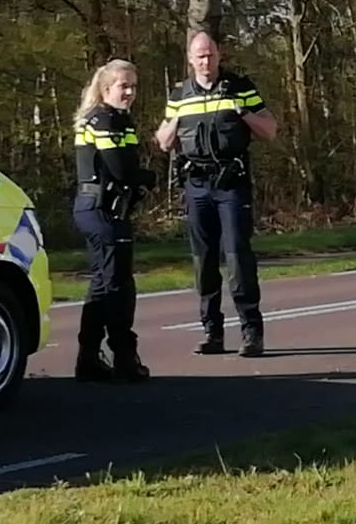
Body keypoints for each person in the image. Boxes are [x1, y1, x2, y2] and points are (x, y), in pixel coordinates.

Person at [155, 31, 277, 357]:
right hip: (196, 184)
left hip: (231, 183)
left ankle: (252, 332)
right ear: (189, 58)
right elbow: (164, 141)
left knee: (237, 256)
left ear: (219, 56)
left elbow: (270, 130)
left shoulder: (240, 86)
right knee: (203, 260)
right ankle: (212, 333)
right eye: (199, 56)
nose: (205, 61)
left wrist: (243, 113)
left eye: (210, 55)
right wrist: (175, 119)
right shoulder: (179, 93)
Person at [71, 58, 158, 382]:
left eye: (133, 86)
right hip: (103, 210)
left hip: (95, 208)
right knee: (119, 285)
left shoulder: (107, 118)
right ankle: (124, 358)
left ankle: (89, 358)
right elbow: (122, 170)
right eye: (124, 85)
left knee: (102, 285)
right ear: (106, 88)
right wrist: (148, 177)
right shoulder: (106, 121)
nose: (130, 92)